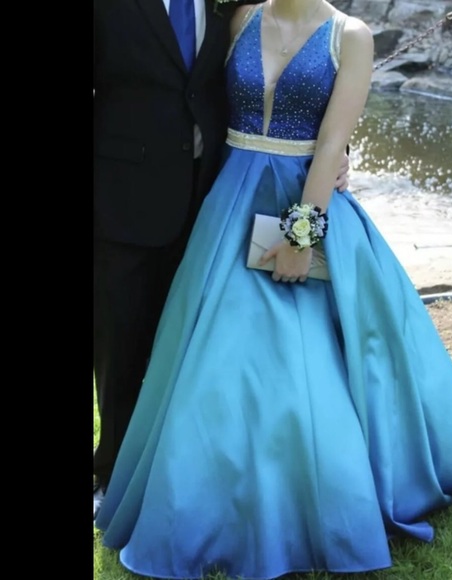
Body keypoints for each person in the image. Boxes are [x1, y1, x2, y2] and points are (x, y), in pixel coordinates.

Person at [95, 0, 452, 578]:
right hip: (226, 209)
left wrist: (302, 235)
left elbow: (332, 143)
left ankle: (314, 497)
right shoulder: (239, 20)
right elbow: (204, 99)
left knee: (310, 364)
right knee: (214, 360)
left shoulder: (351, 36)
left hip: (304, 201)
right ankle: (205, 494)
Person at [93, 0, 350, 517]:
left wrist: (338, 152)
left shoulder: (232, 5)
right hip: (121, 196)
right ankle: (114, 473)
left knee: (205, 347)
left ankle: (190, 470)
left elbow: (281, 75)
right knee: (120, 345)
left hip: (216, 198)